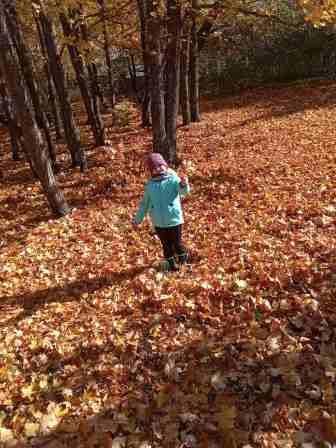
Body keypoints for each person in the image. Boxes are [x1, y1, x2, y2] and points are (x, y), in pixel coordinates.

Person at [133, 153, 190, 271]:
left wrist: (184, 184)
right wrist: (137, 220)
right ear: (150, 171)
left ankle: (183, 262)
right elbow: (144, 204)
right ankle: (172, 265)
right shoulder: (150, 185)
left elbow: (183, 192)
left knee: (177, 244)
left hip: (174, 219)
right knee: (166, 245)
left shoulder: (173, 179)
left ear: (165, 165)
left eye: (159, 166)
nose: (157, 169)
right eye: (154, 168)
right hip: (159, 223)